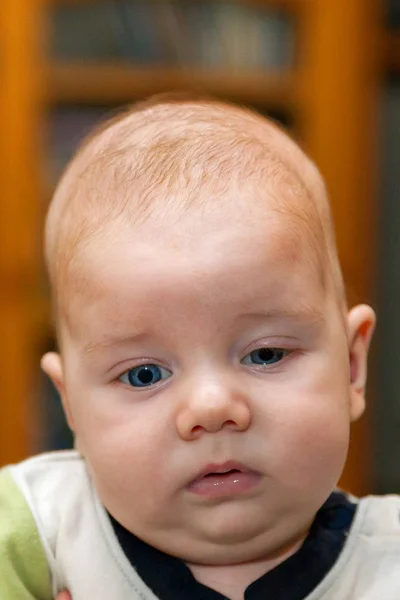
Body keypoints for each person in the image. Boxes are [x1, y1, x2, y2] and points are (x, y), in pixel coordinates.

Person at [2, 92, 393, 600]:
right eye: (144, 374)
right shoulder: (37, 533)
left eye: (266, 354)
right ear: (70, 401)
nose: (211, 408)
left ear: (351, 365)